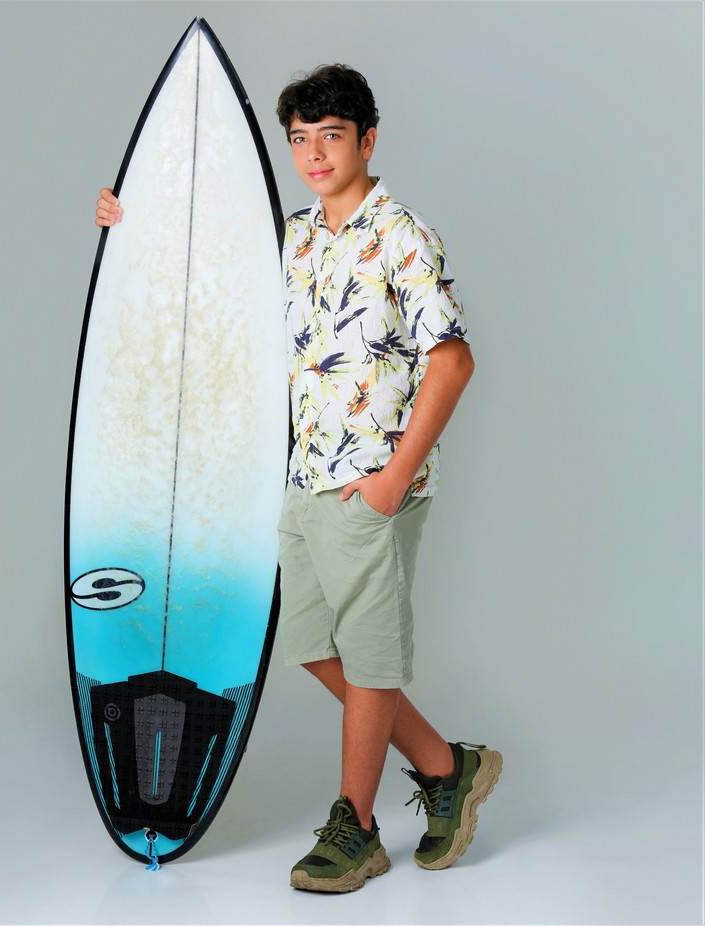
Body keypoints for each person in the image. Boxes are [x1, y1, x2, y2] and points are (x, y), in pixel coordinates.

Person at [95, 63, 501, 894]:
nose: (314, 153)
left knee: (370, 656)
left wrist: (392, 478)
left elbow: (452, 360)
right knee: (315, 647)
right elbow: (203, 281)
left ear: (367, 140)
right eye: (300, 139)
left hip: (372, 486)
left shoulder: (402, 234)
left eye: (331, 136)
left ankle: (357, 828)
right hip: (301, 475)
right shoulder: (294, 236)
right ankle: (445, 766)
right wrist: (131, 224)